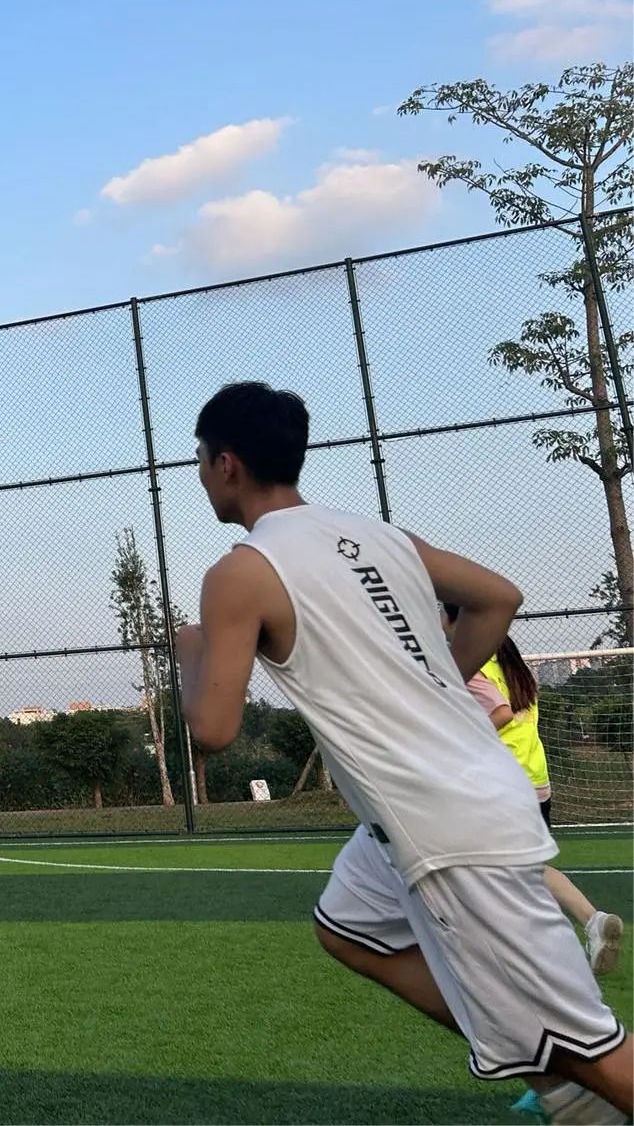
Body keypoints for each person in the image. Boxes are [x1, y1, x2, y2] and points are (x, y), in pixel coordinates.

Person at [175, 381, 629, 1122]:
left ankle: (572, 1075)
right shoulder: (379, 536)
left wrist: (190, 653)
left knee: (591, 1043)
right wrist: (433, 686)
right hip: (445, 801)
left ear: (227, 463)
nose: (199, 473)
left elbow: (213, 729)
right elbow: (499, 597)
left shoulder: (240, 572)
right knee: (349, 927)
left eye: (199, 458)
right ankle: (561, 1084)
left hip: (444, 824)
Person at [442, 604, 623, 977]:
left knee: (473, 867)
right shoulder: (512, 664)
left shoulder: (472, 666)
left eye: (442, 614)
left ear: (457, 621)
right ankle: (590, 923)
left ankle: (517, 953)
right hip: (534, 781)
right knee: (524, 870)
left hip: (500, 783)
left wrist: (459, 739)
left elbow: (501, 713)